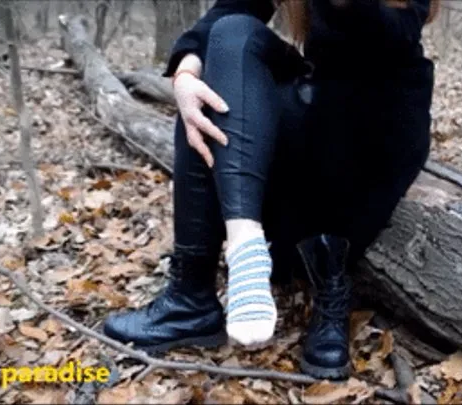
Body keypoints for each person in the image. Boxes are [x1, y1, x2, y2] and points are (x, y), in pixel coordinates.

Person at [104, 0, 438, 380]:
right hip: (315, 105)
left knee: (337, 113)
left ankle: (330, 288)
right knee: (228, 44)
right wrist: (185, 72)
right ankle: (204, 282)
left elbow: (390, 31)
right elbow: (230, 10)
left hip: (381, 127)